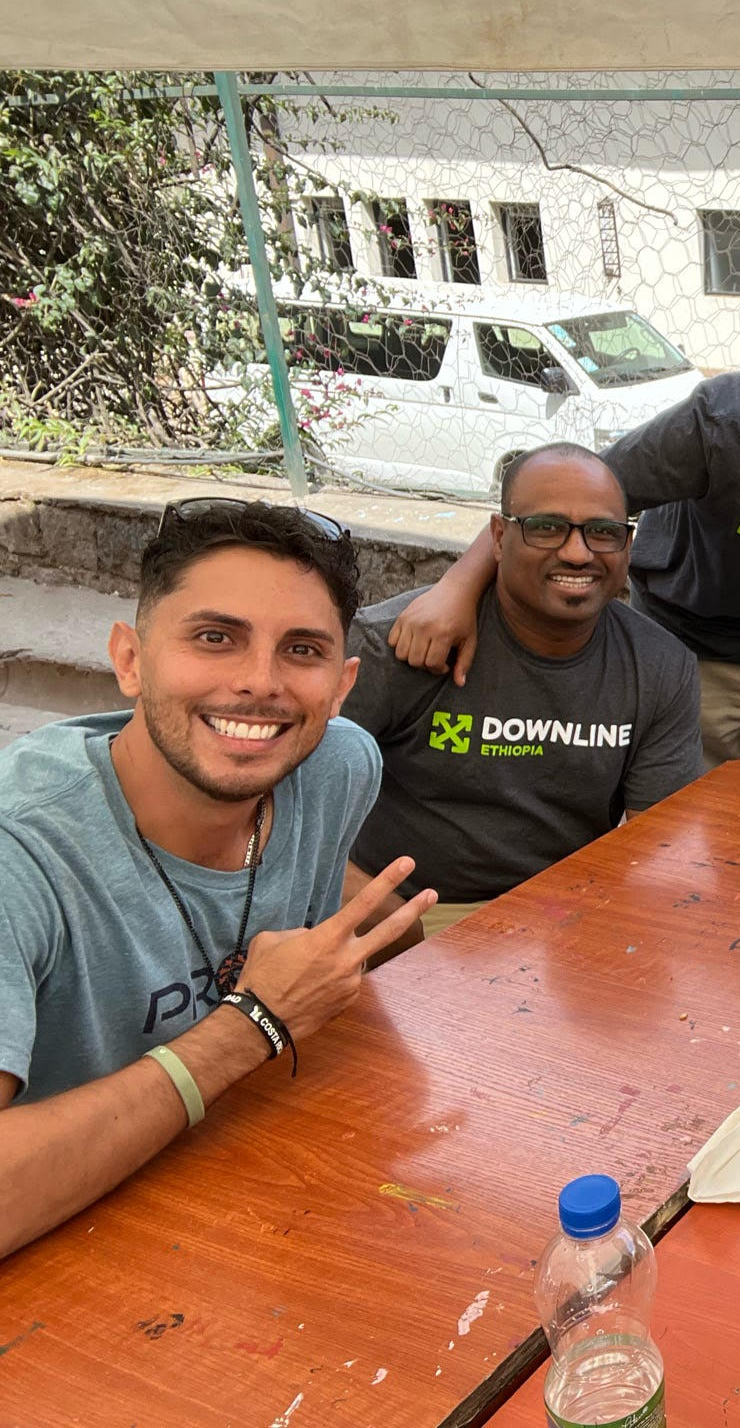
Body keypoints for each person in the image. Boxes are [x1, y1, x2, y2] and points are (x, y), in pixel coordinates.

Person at [0, 499, 433, 1260]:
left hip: (244, 1196)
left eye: (302, 650)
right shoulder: (21, 852)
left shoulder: (337, 764)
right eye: (214, 638)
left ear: (341, 686)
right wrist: (253, 1022)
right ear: (130, 660)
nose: (259, 683)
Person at [385, 296, 740, 779]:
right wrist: (456, 589)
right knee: (686, 835)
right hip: (686, 641)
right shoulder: (730, 423)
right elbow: (575, 497)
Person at [342, 444, 703, 933]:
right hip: (409, 911)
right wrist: (389, 923)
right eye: (547, 527)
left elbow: (655, 850)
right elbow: (277, 814)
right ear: (498, 536)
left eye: (603, 532)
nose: (577, 553)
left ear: (628, 544)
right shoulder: (397, 644)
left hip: (563, 916)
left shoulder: (660, 666)